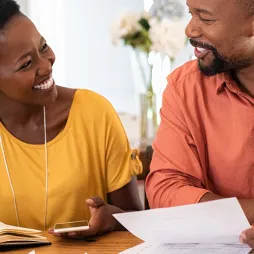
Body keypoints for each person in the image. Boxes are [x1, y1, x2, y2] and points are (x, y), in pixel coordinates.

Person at [0, 0, 143, 238]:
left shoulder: (94, 113)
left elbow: (136, 220)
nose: (46, 65)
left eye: (43, 46)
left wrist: (110, 218)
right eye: (26, 64)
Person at [146, 0, 254, 248]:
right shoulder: (184, 88)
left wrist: (218, 213)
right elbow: (165, 190)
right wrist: (247, 214)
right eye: (190, 14)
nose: (190, 30)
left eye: (205, 19)